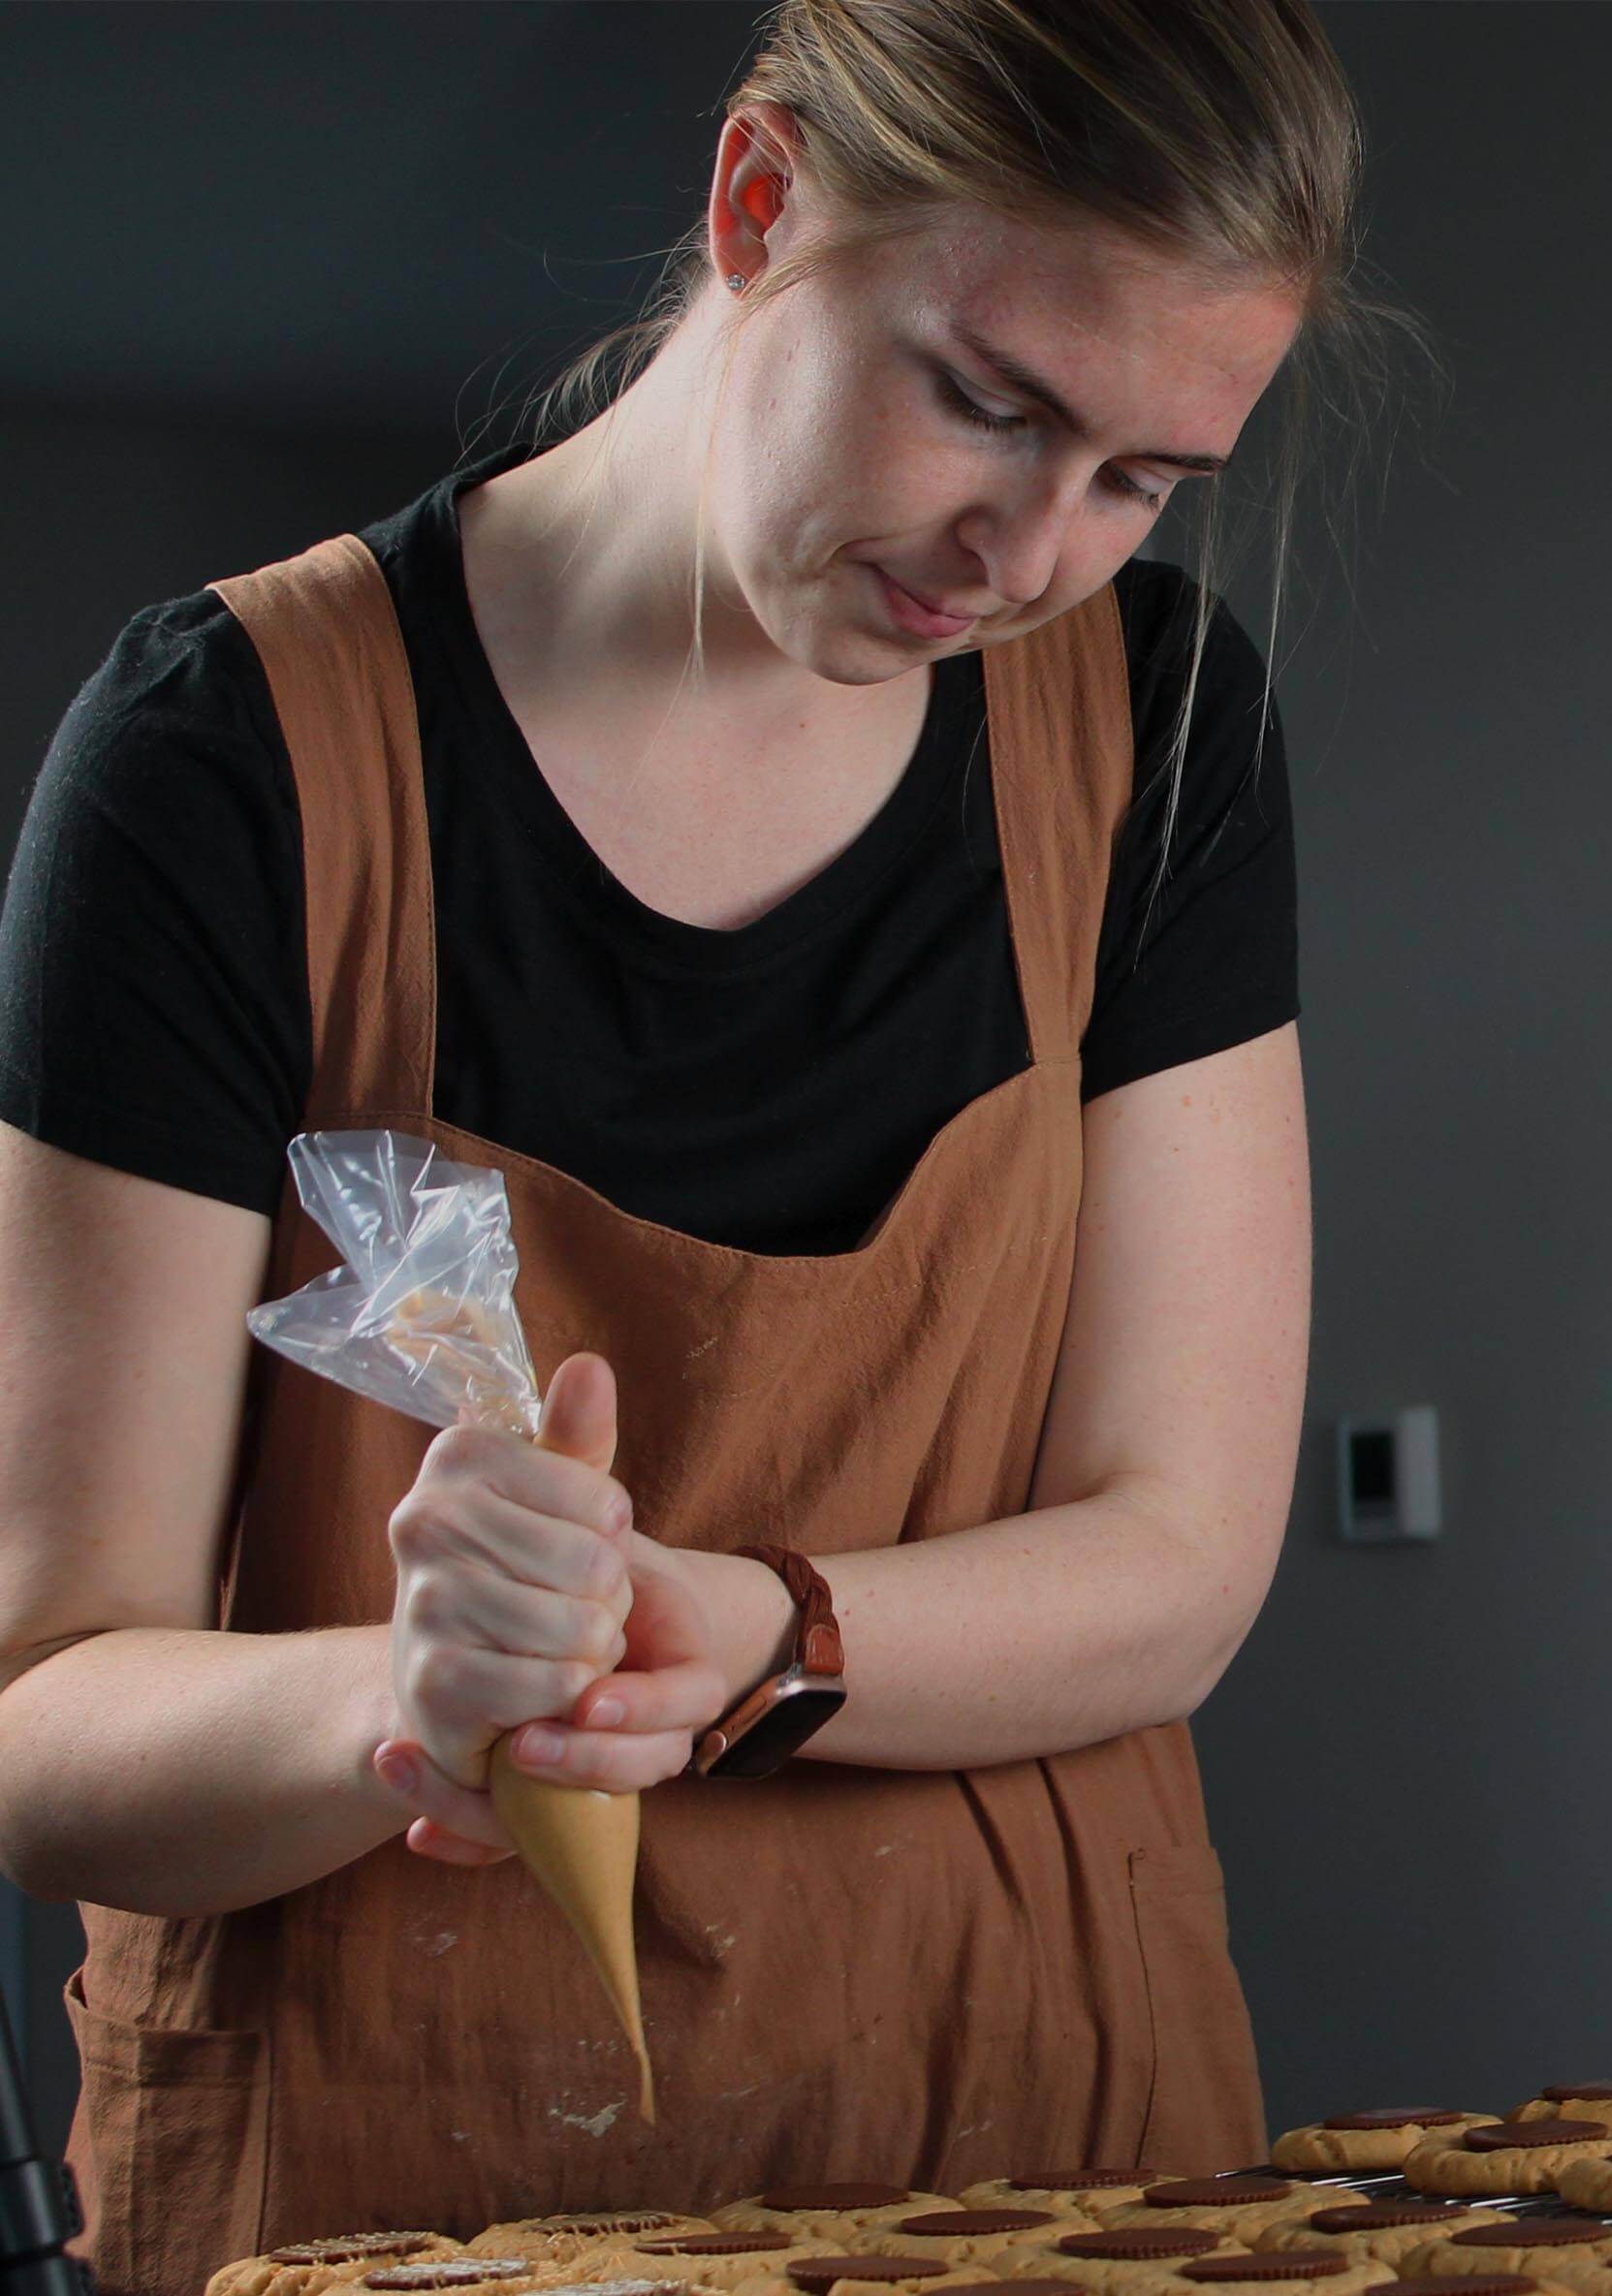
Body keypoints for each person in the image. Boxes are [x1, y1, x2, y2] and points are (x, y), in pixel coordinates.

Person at [0, 4, 1408, 2289]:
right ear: (761, 204)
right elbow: (47, 1717)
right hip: (388, 2152)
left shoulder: (1158, 733)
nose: (1035, 550)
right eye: (990, 399)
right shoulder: (223, 762)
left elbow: (1179, 1551)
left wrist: (740, 1634)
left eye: (1146, 479)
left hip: (1032, 2122)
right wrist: (407, 1686)